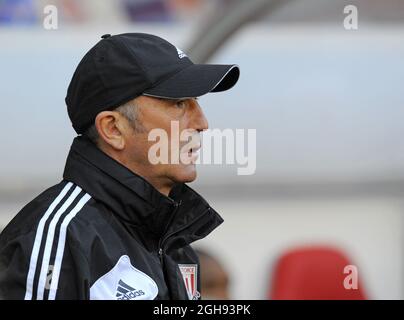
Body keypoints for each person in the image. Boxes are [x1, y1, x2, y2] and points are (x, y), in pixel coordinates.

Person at [0, 33, 239, 300]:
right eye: (179, 103)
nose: (202, 123)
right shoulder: (58, 239)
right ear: (113, 129)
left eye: (198, 102)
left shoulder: (174, 245)